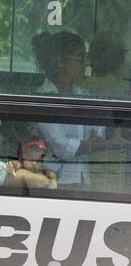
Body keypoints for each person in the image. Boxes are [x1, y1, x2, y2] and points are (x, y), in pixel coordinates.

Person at [32, 32, 106, 186]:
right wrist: (107, 145)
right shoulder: (43, 96)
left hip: (81, 179)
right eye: (81, 58)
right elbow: (60, 145)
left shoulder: (83, 95)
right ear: (60, 61)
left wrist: (116, 132)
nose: (86, 64)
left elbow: (100, 128)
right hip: (52, 181)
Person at [79, 32, 130, 99]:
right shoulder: (127, 88)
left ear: (93, 58)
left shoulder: (79, 86)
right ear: (121, 60)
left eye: (89, 54)